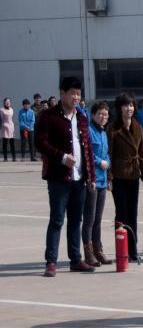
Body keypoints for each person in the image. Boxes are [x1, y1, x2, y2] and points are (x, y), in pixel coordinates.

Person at [35, 76, 96, 277]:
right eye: (72, 94)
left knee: (76, 220)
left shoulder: (82, 118)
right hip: (58, 178)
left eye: (78, 94)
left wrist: (91, 177)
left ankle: (75, 259)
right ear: (62, 93)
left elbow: (87, 149)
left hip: (79, 178)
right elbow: (40, 143)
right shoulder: (49, 116)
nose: (76, 97)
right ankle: (51, 261)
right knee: (57, 219)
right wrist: (61, 157)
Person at [107, 92, 143, 262]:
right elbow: (109, 154)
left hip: (133, 175)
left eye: (131, 105)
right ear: (119, 108)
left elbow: (142, 152)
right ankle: (122, 248)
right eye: (125, 105)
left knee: (133, 213)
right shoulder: (113, 128)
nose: (129, 108)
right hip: (118, 175)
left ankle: (133, 249)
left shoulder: (138, 127)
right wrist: (109, 177)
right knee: (121, 212)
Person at [82, 101, 113, 267]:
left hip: (102, 180)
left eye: (106, 114)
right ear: (93, 115)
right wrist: (100, 161)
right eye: (100, 114)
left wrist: (107, 166)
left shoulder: (103, 133)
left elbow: (106, 153)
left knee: (98, 218)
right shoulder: (88, 131)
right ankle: (88, 252)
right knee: (89, 218)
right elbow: (87, 153)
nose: (103, 117)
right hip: (92, 180)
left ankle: (97, 249)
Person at [1, 98, 16, 162]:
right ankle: (5, 158)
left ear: (10, 103)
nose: (8, 103)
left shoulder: (12, 109)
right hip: (4, 127)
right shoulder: (1, 110)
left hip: (11, 127)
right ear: (4, 102)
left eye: (9, 101)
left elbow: (11, 118)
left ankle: (14, 157)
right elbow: (1, 119)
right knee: (5, 143)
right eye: (6, 101)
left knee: (12, 143)